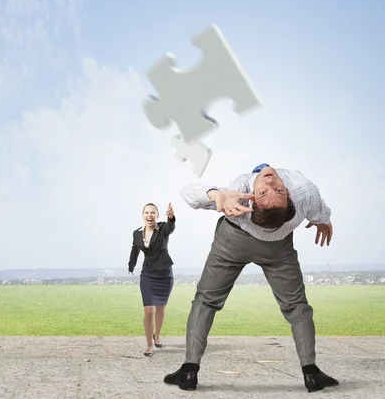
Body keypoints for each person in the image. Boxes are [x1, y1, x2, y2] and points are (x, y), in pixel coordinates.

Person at [163, 164, 339, 393]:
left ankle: (188, 372)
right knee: (296, 306)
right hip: (277, 247)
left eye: (272, 192)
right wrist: (324, 221)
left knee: (206, 300)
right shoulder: (303, 190)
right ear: (291, 197)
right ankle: (312, 374)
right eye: (274, 191)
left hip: (232, 243)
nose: (271, 184)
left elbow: (189, 193)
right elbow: (319, 213)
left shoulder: (240, 190)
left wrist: (216, 195)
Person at [128, 202, 176, 357]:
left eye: (152, 213)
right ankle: (149, 345)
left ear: (157, 215)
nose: (149, 215)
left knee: (160, 309)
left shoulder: (162, 228)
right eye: (146, 212)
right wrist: (131, 265)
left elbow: (171, 227)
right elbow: (135, 249)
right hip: (148, 274)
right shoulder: (137, 233)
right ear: (143, 215)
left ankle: (157, 335)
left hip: (164, 274)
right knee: (149, 309)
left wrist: (171, 218)